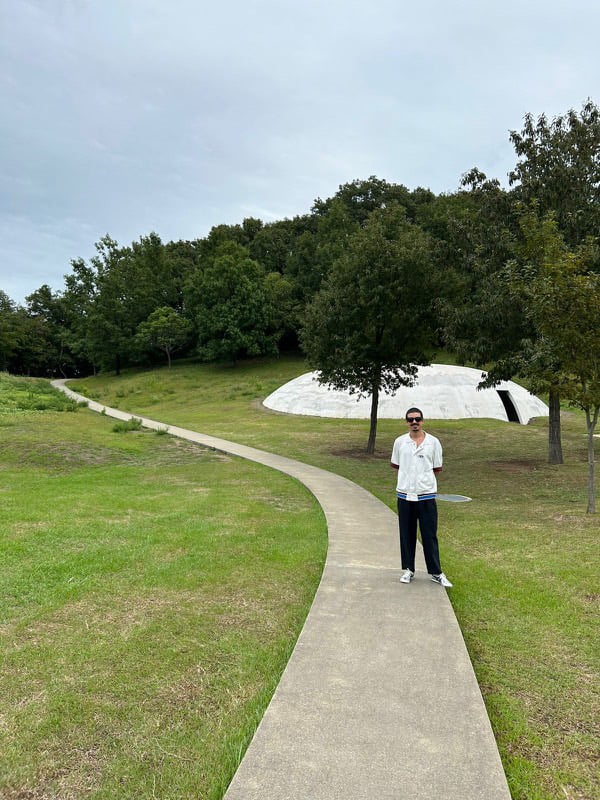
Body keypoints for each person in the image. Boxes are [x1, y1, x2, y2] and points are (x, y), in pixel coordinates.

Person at [390, 407, 452, 587]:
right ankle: (408, 569)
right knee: (406, 533)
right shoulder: (400, 442)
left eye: (417, 419)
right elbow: (397, 465)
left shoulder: (433, 442)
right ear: (406, 422)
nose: (414, 422)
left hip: (426, 496)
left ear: (423, 421)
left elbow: (436, 468)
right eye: (411, 420)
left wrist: (423, 483)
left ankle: (436, 572)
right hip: (405, 495)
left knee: (429, 534)